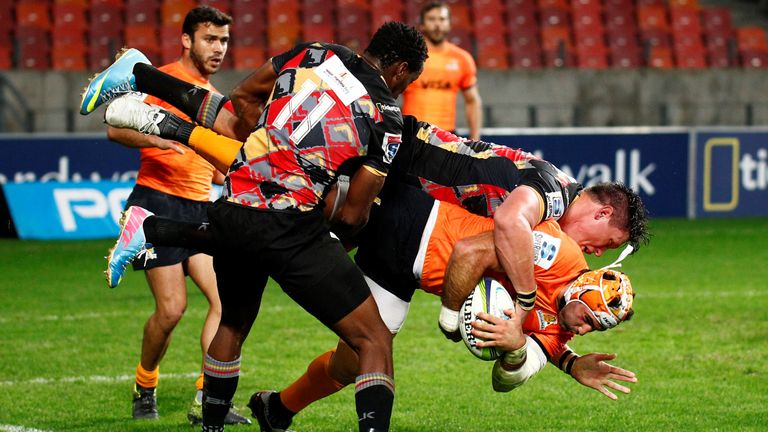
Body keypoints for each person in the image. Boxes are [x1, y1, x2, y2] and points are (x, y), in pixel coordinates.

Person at [87, 22, 428, 432]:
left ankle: (211, 428)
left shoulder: (315, 52)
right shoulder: (388, 117)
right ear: (399, 69)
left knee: (232, 323)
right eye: (408, 81)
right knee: (373, 339)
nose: (404, 89)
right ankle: (154, 196)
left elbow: (242, 98)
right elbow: (354, 215)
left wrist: (266, 149)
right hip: (290, 224)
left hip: (233, 205)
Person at [244, 181, 639, 431]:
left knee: (357, 358)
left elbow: (512, 375)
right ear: (601, 213)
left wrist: (559, 360)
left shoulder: (565, 311)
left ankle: (277, 409)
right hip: (413, 217)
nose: (598, 252)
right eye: (606, 243)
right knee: (288, 192)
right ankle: (204, 147)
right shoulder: (557, 233)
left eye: (595, 328)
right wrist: (451, 317)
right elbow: (473, 250)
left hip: (405, 271)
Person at [99, 6, 248, 425]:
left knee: (227, 303)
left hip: (201, 207)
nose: (219, 48)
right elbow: (115, 126)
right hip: (157, 202)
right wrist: (162, 142)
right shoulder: (164, 82)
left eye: (223, 40)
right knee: (171, 310)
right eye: (209, 39)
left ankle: (207, 398)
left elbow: (217, 158)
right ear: (187, 40)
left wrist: (230, 175)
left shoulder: (214, 99)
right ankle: (145, 386)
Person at [402, 1, 483, 140]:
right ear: (422, 24)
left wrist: (475, 138)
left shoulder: (462, 59)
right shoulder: (409, 56)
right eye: (432, 19)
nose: (437, 24)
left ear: (450, 24)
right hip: (411, 133)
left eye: (442, 19)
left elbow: (472, 101)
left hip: (446, 136)